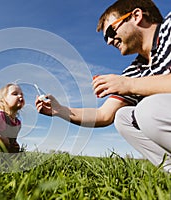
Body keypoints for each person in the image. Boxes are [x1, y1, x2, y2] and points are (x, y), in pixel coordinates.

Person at [36, 0, 171, 172]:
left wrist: (129, 84)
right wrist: (59, 110)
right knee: (123, 117)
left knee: (148, 108)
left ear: (136, 16)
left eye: (110, 31)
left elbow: (132, 85)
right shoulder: (135, 71)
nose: (108, 41)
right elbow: (103, 115)